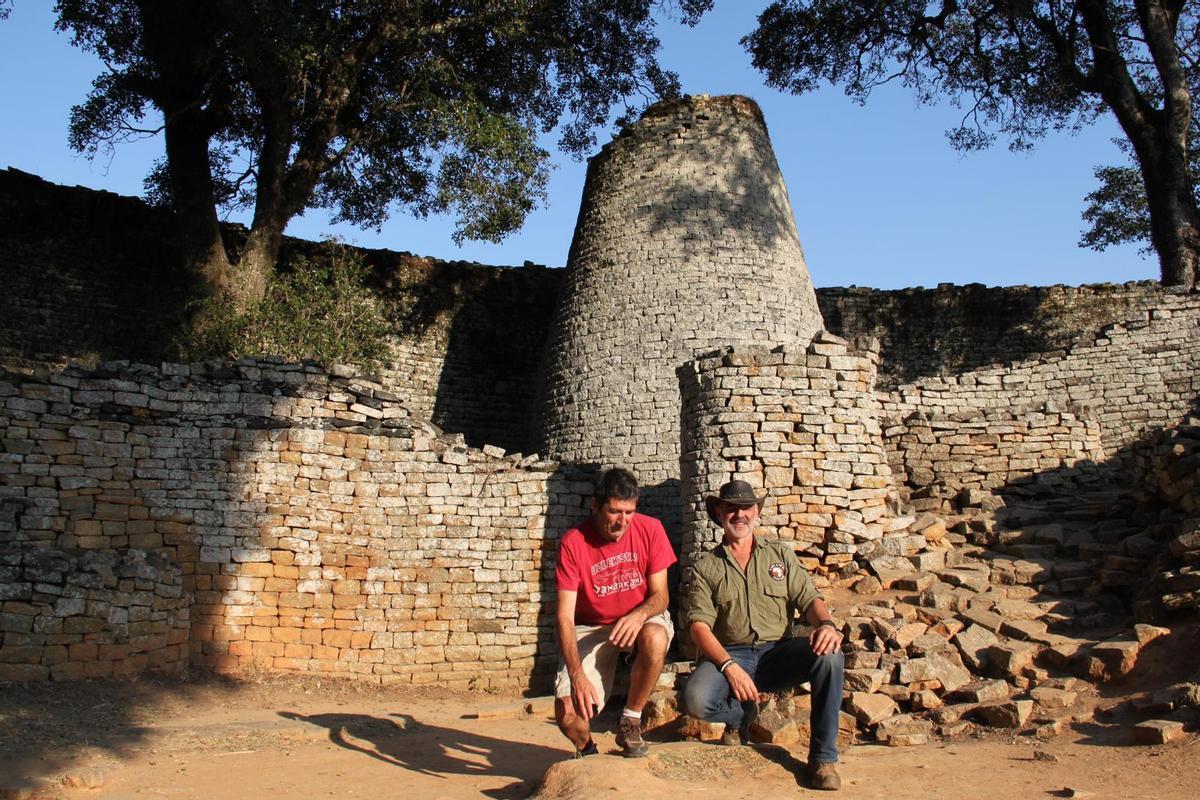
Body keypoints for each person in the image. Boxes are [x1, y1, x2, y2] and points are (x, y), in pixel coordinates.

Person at [683, 479, 846, 791]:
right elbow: (699, 627)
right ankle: (742, 713)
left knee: (830, 656)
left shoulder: (779, 556)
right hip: (731, 656)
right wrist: (729, 667)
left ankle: (823, 758)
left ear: (756, 512)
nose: (739, 515)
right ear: (719, 513)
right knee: (696, 700)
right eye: (731, 508)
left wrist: (826, 625)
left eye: (746, 508)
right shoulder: (706, 567)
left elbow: (810, 600)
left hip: (777, 654)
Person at [554, 467, 677, 758]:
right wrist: (576, 674)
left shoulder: (651, 529)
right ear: (595, 505)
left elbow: (661, 596)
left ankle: (630, 720)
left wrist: (637, 615)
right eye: (614, 512)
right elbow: (564, 617)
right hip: (593, 627)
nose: (623, 521)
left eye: (630, 512)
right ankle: (588, 750)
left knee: (656, 637)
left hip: (640, 617)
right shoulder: (573, 543)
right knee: (569, 715)